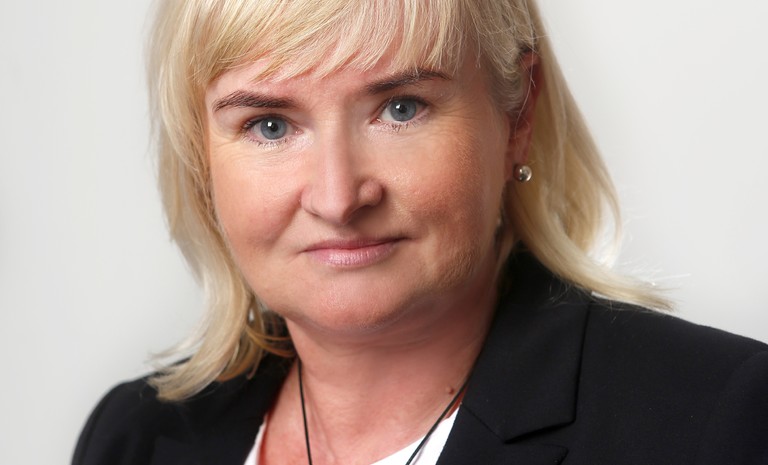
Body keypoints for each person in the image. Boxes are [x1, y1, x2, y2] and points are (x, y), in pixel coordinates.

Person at [73, 0, 768, 464]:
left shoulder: (718, 422)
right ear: (201, 156)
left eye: (401, 108)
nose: (338, 197)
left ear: (518, 116)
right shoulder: (133, 438)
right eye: (270, 125)